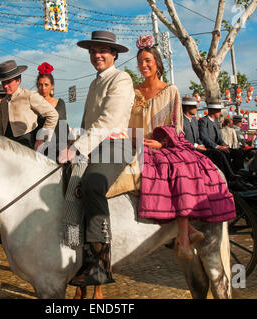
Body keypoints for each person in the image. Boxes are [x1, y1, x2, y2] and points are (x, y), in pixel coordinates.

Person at [129, 35, 235, 259]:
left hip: (164, 142)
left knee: (182, 167)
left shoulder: (171, 90)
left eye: (148, 60)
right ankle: (187, 230)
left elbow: (176, 126)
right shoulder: (134, 91)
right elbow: (129, 120)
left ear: (157, 62)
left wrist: (161, 143)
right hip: (137, 142)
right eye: (140, 62)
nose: (143, 66)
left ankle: (184, 234)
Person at [62, 31, 135, 287]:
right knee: (66, 182)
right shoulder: (94, 83)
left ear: (114, 54)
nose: (97, 56)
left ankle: (102, 264)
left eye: (102, 51)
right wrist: (72, 143)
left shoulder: (121, 79)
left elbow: (107, 121)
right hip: (95, 145)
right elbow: (87, 122)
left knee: (92, 185)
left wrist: (77, 148)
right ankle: (77, 249)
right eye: (93, 51)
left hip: (116, 145)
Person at [0, 59, 58, 150]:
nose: (5, 86)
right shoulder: (3, 102)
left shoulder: (29, 95)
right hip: (7, 146)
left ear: (18, 81)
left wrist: (41, 138)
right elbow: (0, 129)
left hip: (27, 144)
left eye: (8, 82)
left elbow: (53, 114)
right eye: (3, 82)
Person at [36, 62, 69, 158]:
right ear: (37, 85)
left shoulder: (60, 103)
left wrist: (65, 147)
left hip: (59, 149)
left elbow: (63, 125)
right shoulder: (34, 104)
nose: (43, 88)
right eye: (40, 85)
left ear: (52, 85)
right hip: (40, 149)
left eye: (46, 84)